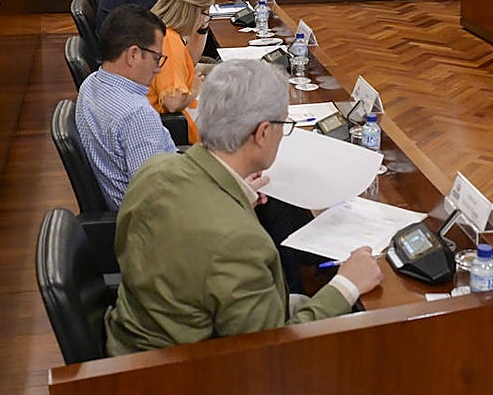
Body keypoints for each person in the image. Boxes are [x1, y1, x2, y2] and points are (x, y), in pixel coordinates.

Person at [105, 59, 382, 355]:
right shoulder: (239, 242)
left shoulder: (154, 170)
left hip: (132, 343)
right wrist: (347, 284)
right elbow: (271, 351)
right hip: (184, 373)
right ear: (262, 133)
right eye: (283, 125)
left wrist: (236, 195)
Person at [75, 5, 177, 209]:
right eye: (156, 59)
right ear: (133, 54)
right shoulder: (136, 115)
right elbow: (155, 202)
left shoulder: (91, 83)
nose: (158, 70)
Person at [147, 0, 213, 145]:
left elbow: (186, 61)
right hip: (174, 124)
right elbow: (173, 102)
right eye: (205, 14)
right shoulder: (169, 41)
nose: (205, 20)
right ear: (192, 12)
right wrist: (195, 90)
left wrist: (202, 28)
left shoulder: (159, 29)